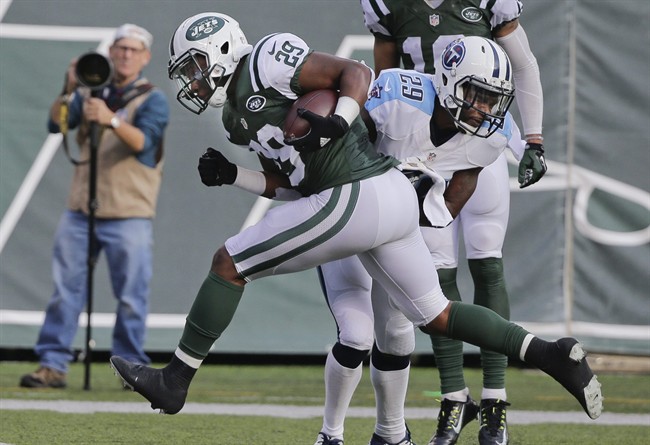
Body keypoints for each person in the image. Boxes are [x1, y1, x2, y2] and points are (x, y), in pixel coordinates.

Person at [108, 12, 601, 444]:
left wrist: (340, 120)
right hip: (381, 202)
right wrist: (234, 175)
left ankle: (175, 379)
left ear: (218, 52)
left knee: (230, 263)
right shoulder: (239, 119)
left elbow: (356, 73)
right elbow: (296, 185)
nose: (191, 83)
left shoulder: (264, 59)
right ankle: (552, 354)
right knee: (436, 314)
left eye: (193, 68)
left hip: (359, 192)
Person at [314, 36, 522, 445]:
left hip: (396, 229)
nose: (483, 108)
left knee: (398, 331)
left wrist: (415, 215)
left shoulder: (490, 135)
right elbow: (343, 149)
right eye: (475, 94)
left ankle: (391, 434)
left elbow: (458, 191)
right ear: (447, 81)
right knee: (357, 333)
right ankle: (330, 434)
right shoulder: (397, 96)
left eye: (492, 99)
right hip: (353, 212)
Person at [361, 1, 547, 443]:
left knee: (487, 260)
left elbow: (522, 63)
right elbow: (381, 78)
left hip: (480, 138)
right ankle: (453, 397)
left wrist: (534, 138)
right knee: (436, 273)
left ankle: (495, 400)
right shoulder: (388, 6)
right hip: (425, 146)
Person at [19, 24, 169, 389]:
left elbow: (145, 144)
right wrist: (70, 87)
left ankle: (130, 369)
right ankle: (53, 364)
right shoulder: (90, 93)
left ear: (144, 57)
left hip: (129, 212)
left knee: (132, 296)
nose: (126, 55)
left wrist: (111, 119)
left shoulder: (152, 99)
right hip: (81, 210)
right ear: (111, 52)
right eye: (120, 49)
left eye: (133, 50)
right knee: (64, 289)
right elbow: (55, 124)